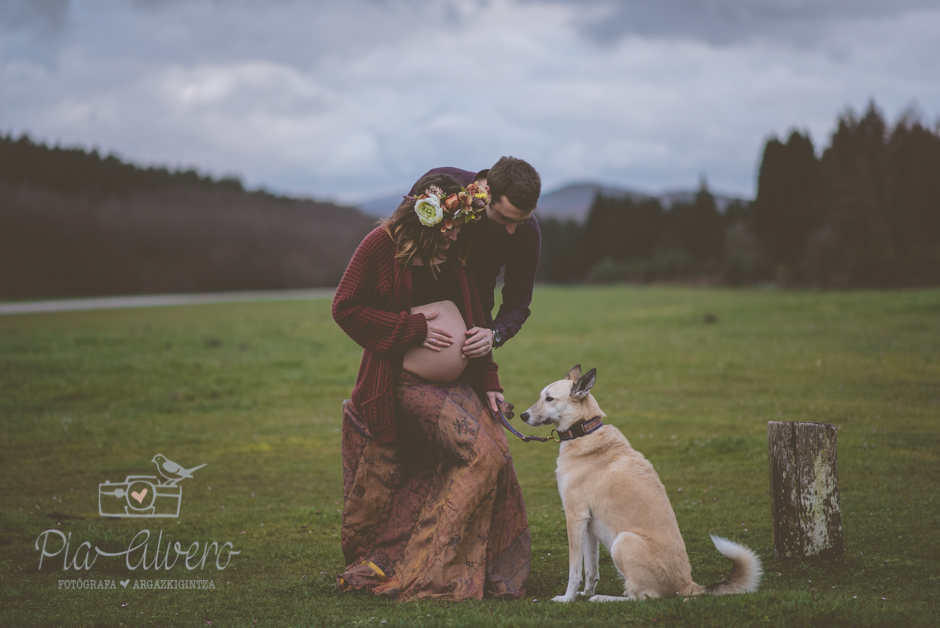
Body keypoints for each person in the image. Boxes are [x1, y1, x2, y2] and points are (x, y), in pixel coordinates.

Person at [332, 173, 531, 601]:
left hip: (454, 381)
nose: (456, 238)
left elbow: (474, 312)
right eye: (450, 229)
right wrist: (412, 328)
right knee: (480, 451)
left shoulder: (454, 253)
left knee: (497, 449)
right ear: (426, 218)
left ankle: (484, 565)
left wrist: (490, 379)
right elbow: (344, 307)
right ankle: (426, 565)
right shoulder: (380, 246)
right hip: (397, 383)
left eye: (460, 230)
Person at [407, 156, 541, 359]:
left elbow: (518, 303)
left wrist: (493, 334)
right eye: (505, 218)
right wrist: (405, 324)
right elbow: (397, 245)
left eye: (520, 221)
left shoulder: (528, 231)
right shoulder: (439, 186)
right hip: (414, 311)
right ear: (487, 193)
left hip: (475, 320)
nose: (512, 230)